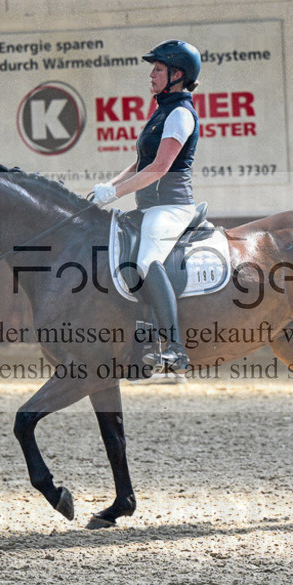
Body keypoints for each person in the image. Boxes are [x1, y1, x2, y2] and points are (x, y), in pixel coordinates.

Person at [92, 39, 202, 373]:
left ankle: (175, 349)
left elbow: (159, 168)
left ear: (177, 75)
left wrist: (116, 194)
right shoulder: (161, 113)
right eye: (152, 69)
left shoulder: (181, 114)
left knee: (146, 259)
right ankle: (137, 345)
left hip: (172, 206)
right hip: (148, 207)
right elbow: (141, 163)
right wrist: (108, 186)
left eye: (158, 69)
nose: (151, 75)